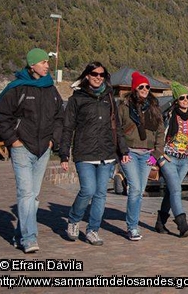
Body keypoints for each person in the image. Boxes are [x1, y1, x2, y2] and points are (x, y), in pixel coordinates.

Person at [0, 48, 64, 253]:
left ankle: (19, 234)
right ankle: (29, 238)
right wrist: (13, 141)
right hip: (22, 148)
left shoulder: (51, 89)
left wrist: (53, 141)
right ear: (32, 65)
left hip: (43, 149)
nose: (47, 66)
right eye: (43, 62)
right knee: (25, 194)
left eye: (47, 62)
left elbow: (60, 117)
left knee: (33, 196)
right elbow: (2, 116)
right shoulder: (17, 88)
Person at [59, 62, 129, 246]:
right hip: (85, 153)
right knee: (87, 190)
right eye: (94, 74)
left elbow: (117, 127)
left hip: (106, 152)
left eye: (102, 74)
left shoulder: (109, 99)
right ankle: (74, 220)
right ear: (87, 76)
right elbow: (67, 127)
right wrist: (64, 154)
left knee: (100, 194)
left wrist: (123, 150)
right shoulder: (77, 99)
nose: (98, 77)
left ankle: (93, 230)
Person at [118, 71, 165, 240]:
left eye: (147, 87)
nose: (145, 89)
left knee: (139, 191)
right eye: (141, 87)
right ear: (134, 89)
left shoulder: (153, 107)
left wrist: (156, 154)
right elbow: (117, 130)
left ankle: (133, 224)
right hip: (129, 152)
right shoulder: (123, 107)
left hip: (147, 154)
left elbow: (160, 133)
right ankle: (132, 227)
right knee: (135, 188)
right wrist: (122, 151)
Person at [157, 81, 188, 237]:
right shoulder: (169, 115)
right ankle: (182, 224)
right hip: (169, 158)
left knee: (171, 191)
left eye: (187, 97)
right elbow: (158, 135)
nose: (185, 100)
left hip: (184, 160)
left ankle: (160, 222)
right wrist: (159, 157)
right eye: (181, 98)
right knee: (176, 190)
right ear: (176, 100)